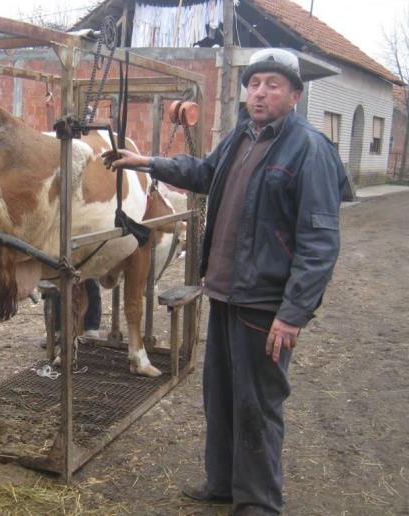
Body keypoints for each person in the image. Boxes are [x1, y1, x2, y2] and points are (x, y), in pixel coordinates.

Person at [104, 48, 347, 515]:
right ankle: (222, 483)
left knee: (257, 403)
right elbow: (203, 172)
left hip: (264, 302)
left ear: (294, 96)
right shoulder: (242, 136)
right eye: (254, 84)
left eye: (273, 85)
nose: (260, 93)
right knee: (220, 395)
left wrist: (293, 314)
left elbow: (319, 241)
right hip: (225, 292)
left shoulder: (309, 149)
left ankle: (258, 502)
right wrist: (146, 161)